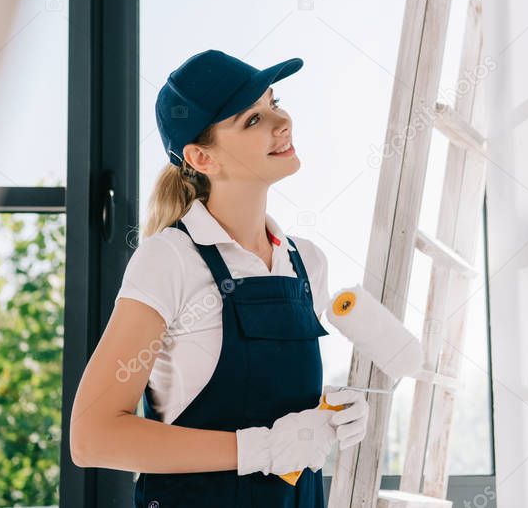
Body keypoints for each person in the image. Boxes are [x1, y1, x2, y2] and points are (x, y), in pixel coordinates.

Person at [69, 49, 370, 507]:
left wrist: (330, 417)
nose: (281, 121)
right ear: (201, 157)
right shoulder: (169, 259)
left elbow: (281, 417)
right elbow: (93, 436)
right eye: (252, 120)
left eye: (274, 102)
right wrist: (260, 449)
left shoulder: (307, 262)